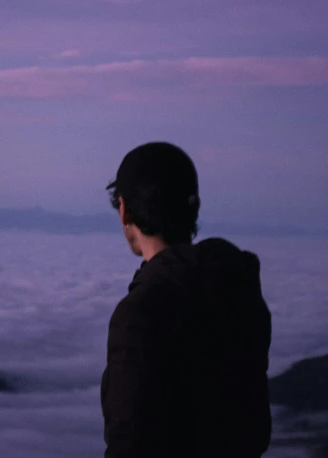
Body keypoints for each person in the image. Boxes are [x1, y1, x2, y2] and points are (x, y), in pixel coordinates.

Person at [101, 142, 272, 457]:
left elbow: (130, 444)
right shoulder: (238, 286)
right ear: (194, 207)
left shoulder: (140, 313)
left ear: (124, 209)